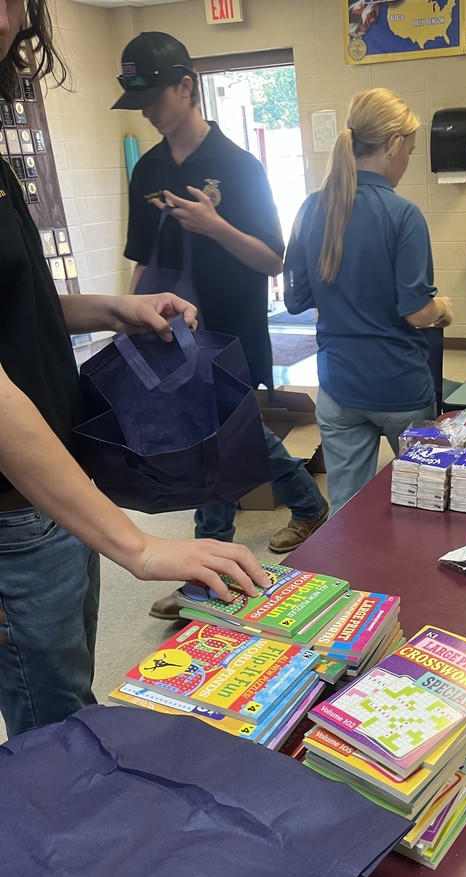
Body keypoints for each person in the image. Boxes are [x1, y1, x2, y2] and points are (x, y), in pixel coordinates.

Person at [0, 4, 272, 737]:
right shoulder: (148, 168)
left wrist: (116, 309)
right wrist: (138, 544)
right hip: (17, 499)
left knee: (66, 686)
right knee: (52, 721)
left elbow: (21, 301)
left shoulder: (237, 167)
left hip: (61, 474)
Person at [112, 32, 328, 619]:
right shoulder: (148, 169)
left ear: (187, 86)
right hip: (168, 336)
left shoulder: (238, 167)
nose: (150, 111)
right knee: (218, 443)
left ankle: (207, 579)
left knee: (217, 445)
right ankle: (298, 512)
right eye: (139, 101)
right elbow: (142, 257)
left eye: (156, 96)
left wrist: (215, 227)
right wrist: (125, 319)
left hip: (229, 335)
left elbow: (273, 260)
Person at [283, 87, 453, 514]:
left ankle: (348, 579)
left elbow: (295, 298)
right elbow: (416, 311)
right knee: (425, 502)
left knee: (347, 512)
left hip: (339, 387)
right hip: (399, 387)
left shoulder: (310, 208)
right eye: (410, 151)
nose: (406, 163)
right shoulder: (403, 214)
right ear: (393, 144)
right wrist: (444, 309)